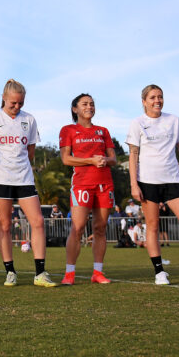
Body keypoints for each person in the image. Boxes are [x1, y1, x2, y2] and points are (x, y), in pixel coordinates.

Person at [0, 79, 58, 288]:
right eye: (13, 103)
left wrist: (20, 167)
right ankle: (10, 272)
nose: (17, 107)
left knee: (38, 221)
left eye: (20, 103)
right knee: (5, 225)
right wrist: (0, 168)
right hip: (0, 178)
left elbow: (30, 152)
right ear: (4, 98)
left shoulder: (29, 120)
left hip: (24, 178)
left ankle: (40, 273)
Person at [59, 93, 117, 285]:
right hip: (82, 184)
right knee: (78, 228)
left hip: (104, 184)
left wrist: (104, 160)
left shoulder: (103, 131)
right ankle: (69, 273)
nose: (89, 107)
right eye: (84, 104)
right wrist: (90, 161)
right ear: (75, 109)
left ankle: (97, 272)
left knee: (100, 228)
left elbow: (114, 159)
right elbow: (66, 159)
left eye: (92, 104)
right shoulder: (68, 130)